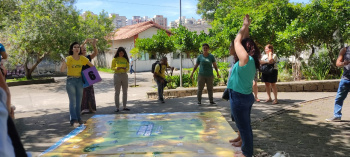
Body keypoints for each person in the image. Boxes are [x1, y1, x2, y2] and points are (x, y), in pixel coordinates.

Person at [227, 14, 260, 157]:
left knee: (244, 128)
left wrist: (243, 28)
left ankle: (247, 154)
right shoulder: (251, 59)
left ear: (244, 50)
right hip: (245, 97)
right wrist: (246, 26)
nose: (236, 48)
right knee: (245, 127)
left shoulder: (245, 59)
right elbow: (244, 40)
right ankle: (246, 150)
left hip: (239, 98)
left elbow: (237, 40)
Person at [61, 42, 94, 126]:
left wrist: (87, 74)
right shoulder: (68, 58)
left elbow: (92, 66)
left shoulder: (82, 58)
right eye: (75, 47)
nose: (76, 48)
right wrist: (64, 62)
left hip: (79, 80)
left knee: (79, 102)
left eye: (78, 47)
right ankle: (73, 120)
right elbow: (62, 70)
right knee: (73, 101)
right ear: (72, 49)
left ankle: (79, 119)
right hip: (70, 80)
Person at [326, 46, 350, 122]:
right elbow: (338, 63)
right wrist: (344, 63)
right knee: (339, 98)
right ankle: (337, 116)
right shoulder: (345, 49)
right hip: (346, 79)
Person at [80, 39, 98, 114]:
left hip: (88, 76)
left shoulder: (88, 57)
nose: (84, 49)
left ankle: (91, 108)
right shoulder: (78, 58)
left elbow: (96, 53)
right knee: (83, 93)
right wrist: (84, 42)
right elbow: (79, 47)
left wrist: (94, 45)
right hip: (81, 76)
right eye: (83, 48)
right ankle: (83, 109)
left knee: (90, 93)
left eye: (85, 49)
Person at [111, 47, 130, 112]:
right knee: (117, 92)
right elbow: (112, 67)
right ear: (118, 52)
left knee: (125, 91)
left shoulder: (125, 59)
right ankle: (117, 107)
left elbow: (128, 67)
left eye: (122, 53)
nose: (121, 54)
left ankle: (124, 106)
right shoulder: (115, 59)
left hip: (124, 75)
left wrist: (126, 69)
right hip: (117, 75)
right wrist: (116, 68)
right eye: (120, 52)